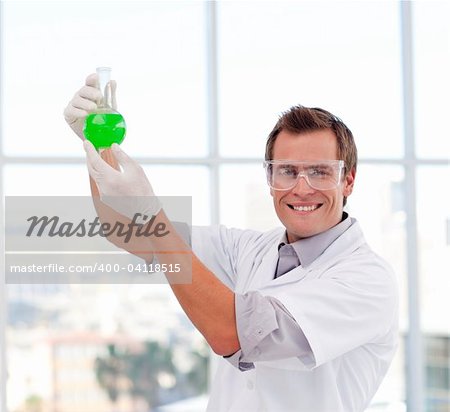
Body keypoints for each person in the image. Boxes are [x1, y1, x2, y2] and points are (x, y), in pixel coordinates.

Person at [64, 74, 399, 412]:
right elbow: (125, 232)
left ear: (349, 180)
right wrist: (99, 145)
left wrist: (152, 213)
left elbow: (234, 334)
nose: (301, 187)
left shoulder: (367, 281)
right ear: (270, 179)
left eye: (320, 172)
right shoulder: (248, 249)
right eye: (287, 171)